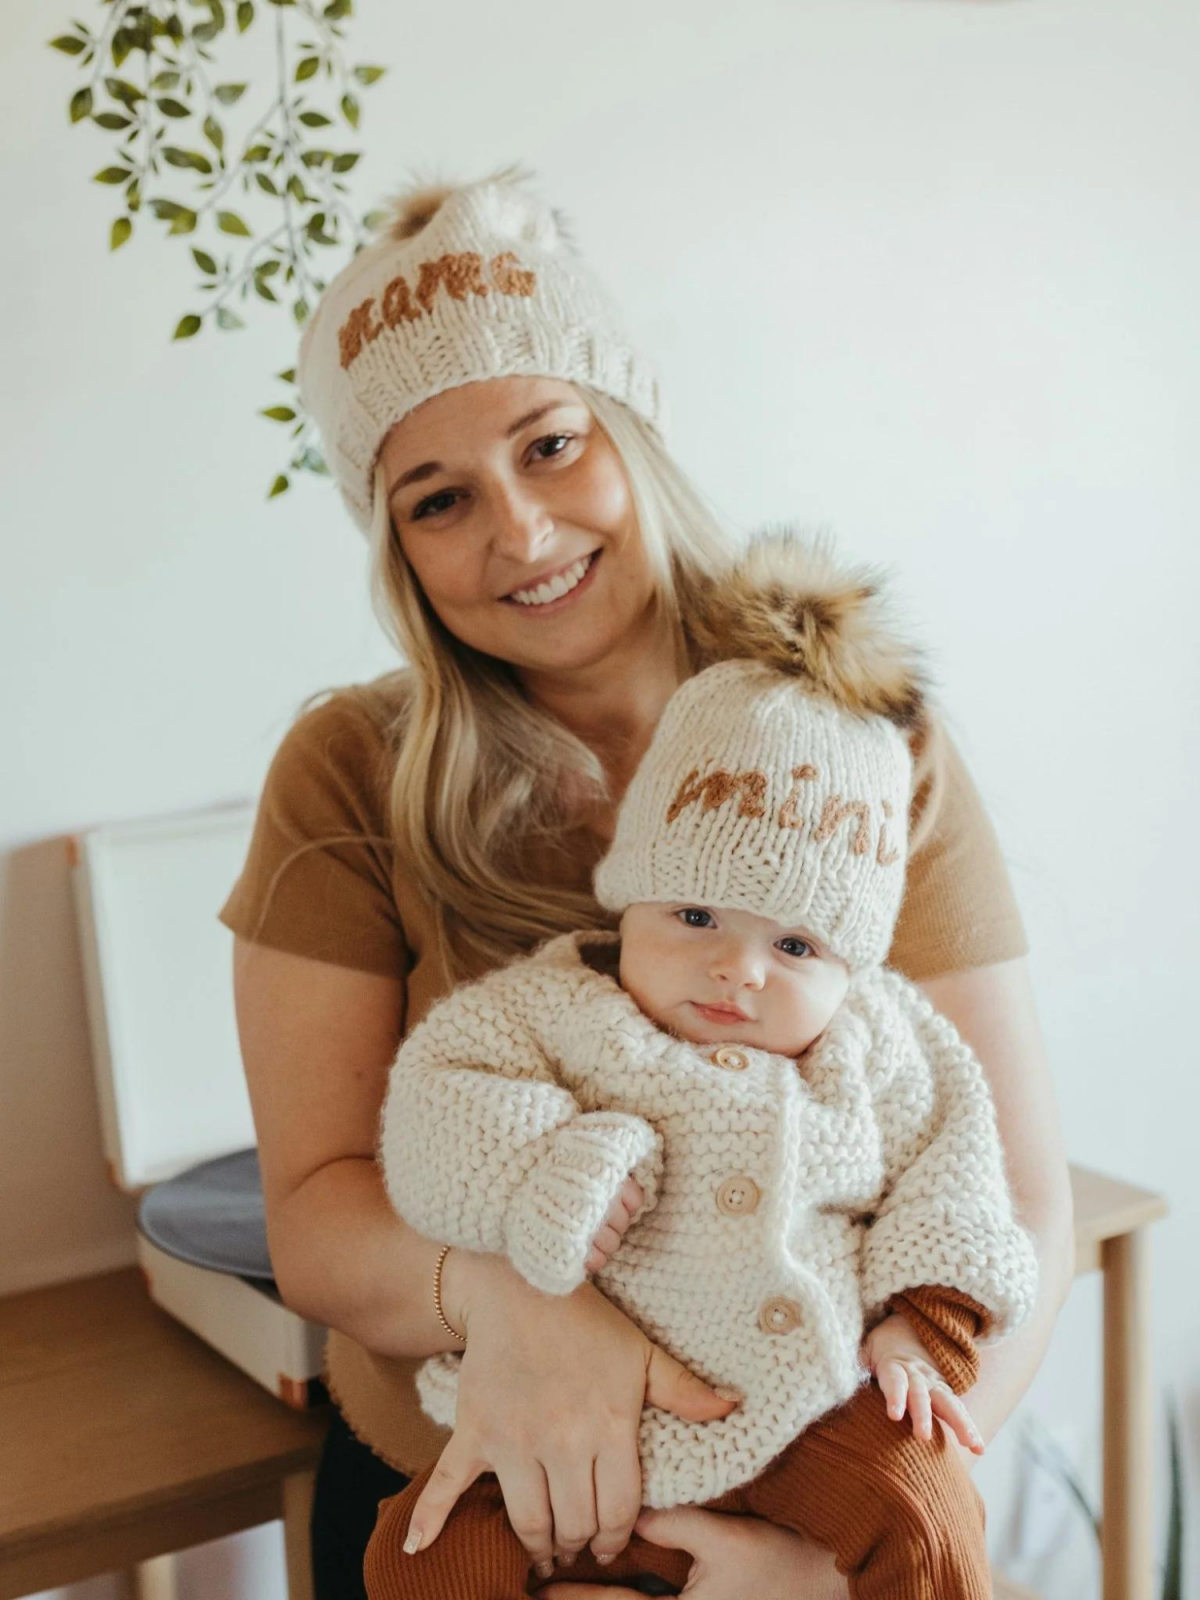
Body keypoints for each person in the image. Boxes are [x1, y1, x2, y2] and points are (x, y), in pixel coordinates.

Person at [219, 163, 1075, 1600]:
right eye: (439, 500)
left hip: (809, 1470)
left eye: (551, 444)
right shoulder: (353, 771)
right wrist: (502, 1299)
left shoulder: (850, 737)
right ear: (397, 548)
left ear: (631, 426)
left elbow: (1015, 1197)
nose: (520, 532)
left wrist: (836, 1550)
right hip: (474, 1485)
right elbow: (312, 1214)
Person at [361, 530, 1039, 1600]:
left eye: (796, 945)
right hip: (563, 1420)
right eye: (692, 913)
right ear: (627, 898)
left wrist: (923, 1328)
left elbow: (959, 1182)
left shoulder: (885, 1045)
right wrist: (554, 1166)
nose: (737, 968)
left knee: (927, 1506)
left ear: (848, 965)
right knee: (420, 1551)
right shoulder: (556, 1007)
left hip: (811, 1406)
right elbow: (435, 1108)